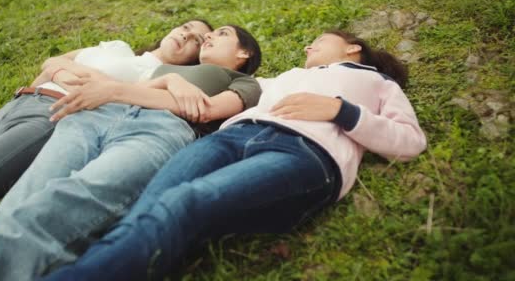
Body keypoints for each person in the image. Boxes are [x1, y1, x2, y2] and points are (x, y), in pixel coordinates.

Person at [41, 29, 428, 281]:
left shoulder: (376, 82)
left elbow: (410, 141)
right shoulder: (284, 76)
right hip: (230, 139)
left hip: (302, 153)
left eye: (319, 40)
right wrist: (151, 81)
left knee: (183, 202)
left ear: (353, 47)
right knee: (148, 206)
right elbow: (206, 104)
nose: (308, 45)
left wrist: (340, 111)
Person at [0, 25, 263, 281]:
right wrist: (165, 83)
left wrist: (136, 89)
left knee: (64, 203)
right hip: (94, 115)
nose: (207, 38)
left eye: (220, 34)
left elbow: (203, 111)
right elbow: (129, 89)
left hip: (158, 130)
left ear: (243, 54)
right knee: (16, 207)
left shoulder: (247, 84)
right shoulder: (162, 68)